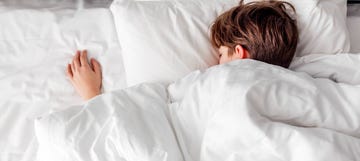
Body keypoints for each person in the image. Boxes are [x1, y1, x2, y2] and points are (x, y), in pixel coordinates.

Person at [66, 0, 298, 101]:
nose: (217, 63)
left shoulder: (213, 84)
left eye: (221, 55)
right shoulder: (298, 86)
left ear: (240, 53)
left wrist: (92, 96)